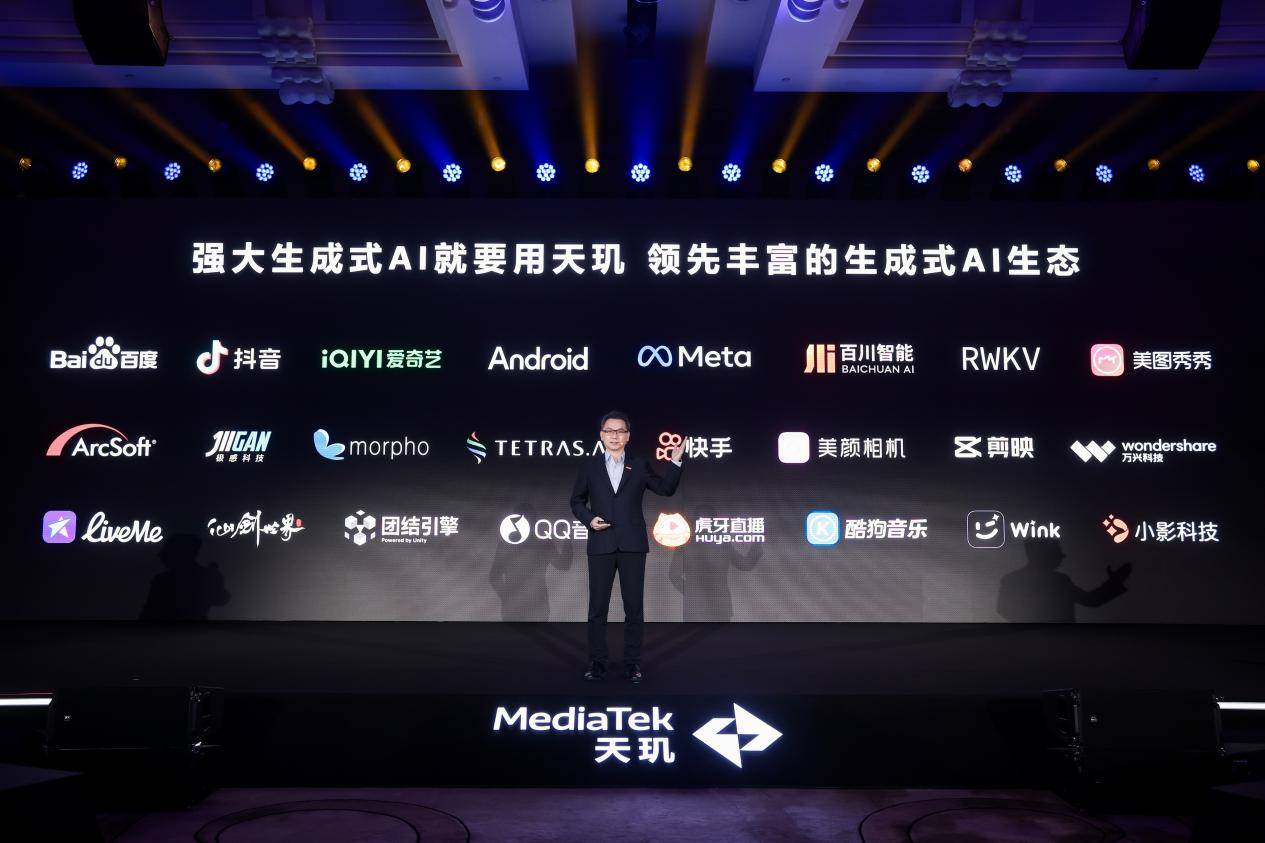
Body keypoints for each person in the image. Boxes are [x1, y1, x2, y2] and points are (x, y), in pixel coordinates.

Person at [570, 411, 684, 683]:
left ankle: (632, 664)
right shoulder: (589, 467)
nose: (615, 436)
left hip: (632, 545)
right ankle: (597, 663)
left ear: (628, 436)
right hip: (601, 544)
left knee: (634, 609)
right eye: (609, 431)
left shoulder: (639, 465)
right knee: (597, 609)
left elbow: (665, 489)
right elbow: (576, 501)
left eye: (620, 431)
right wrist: (589, 520)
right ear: (601, 435)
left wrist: (675, 461)